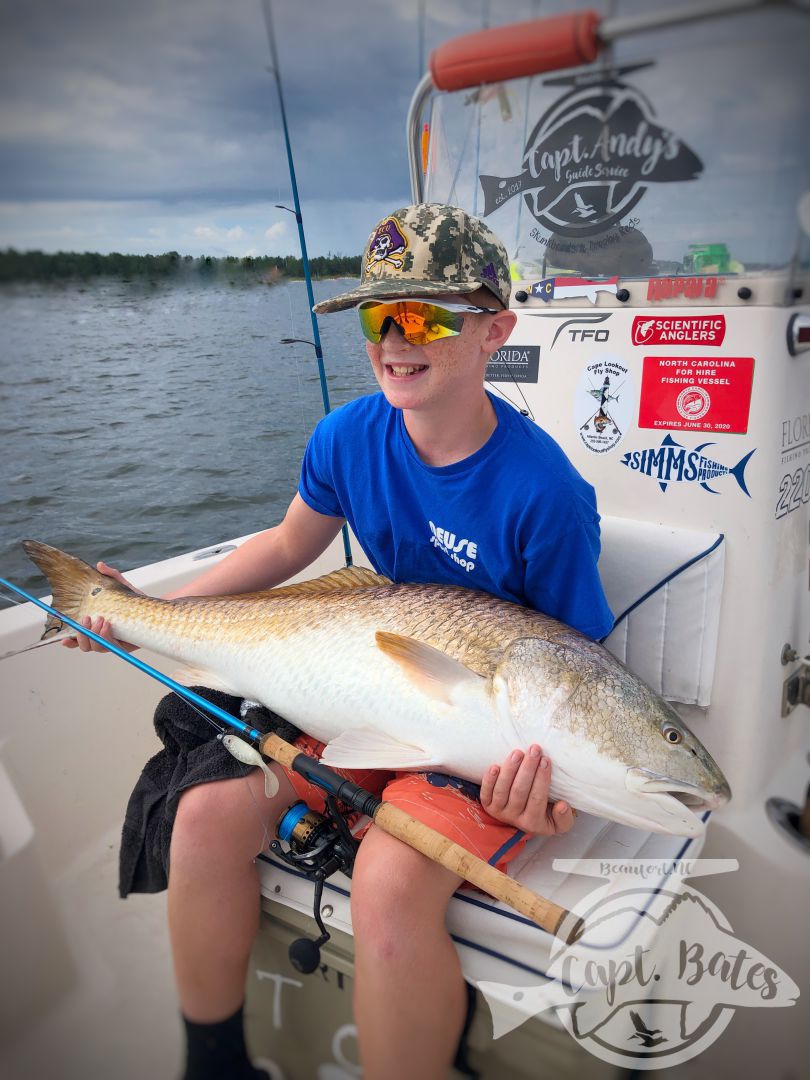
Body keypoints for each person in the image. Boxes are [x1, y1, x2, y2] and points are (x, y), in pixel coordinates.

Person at [65, 202, 614, 1080]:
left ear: (495, 331)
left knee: (392, 877)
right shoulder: (346, 436)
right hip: (368, 687)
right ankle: (213, 1061)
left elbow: (576, 674)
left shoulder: (545, 493)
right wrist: (136, 606)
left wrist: (553, 795)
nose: (394, 340)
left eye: (424, 315)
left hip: (480, 741)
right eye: (376, 316)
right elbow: (287, 546)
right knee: (202, 816)